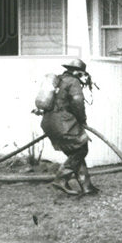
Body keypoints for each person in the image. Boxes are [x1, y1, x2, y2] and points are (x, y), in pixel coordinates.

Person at [40, 58, 99, 196]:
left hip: (48, 121)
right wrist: (82, 120)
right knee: (81, 149)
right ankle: (61, 179)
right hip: (62, 122)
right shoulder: (73, 82)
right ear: (77, 72)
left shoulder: (58, 80)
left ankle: (87, 187)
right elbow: (78, 103)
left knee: (75, 152)